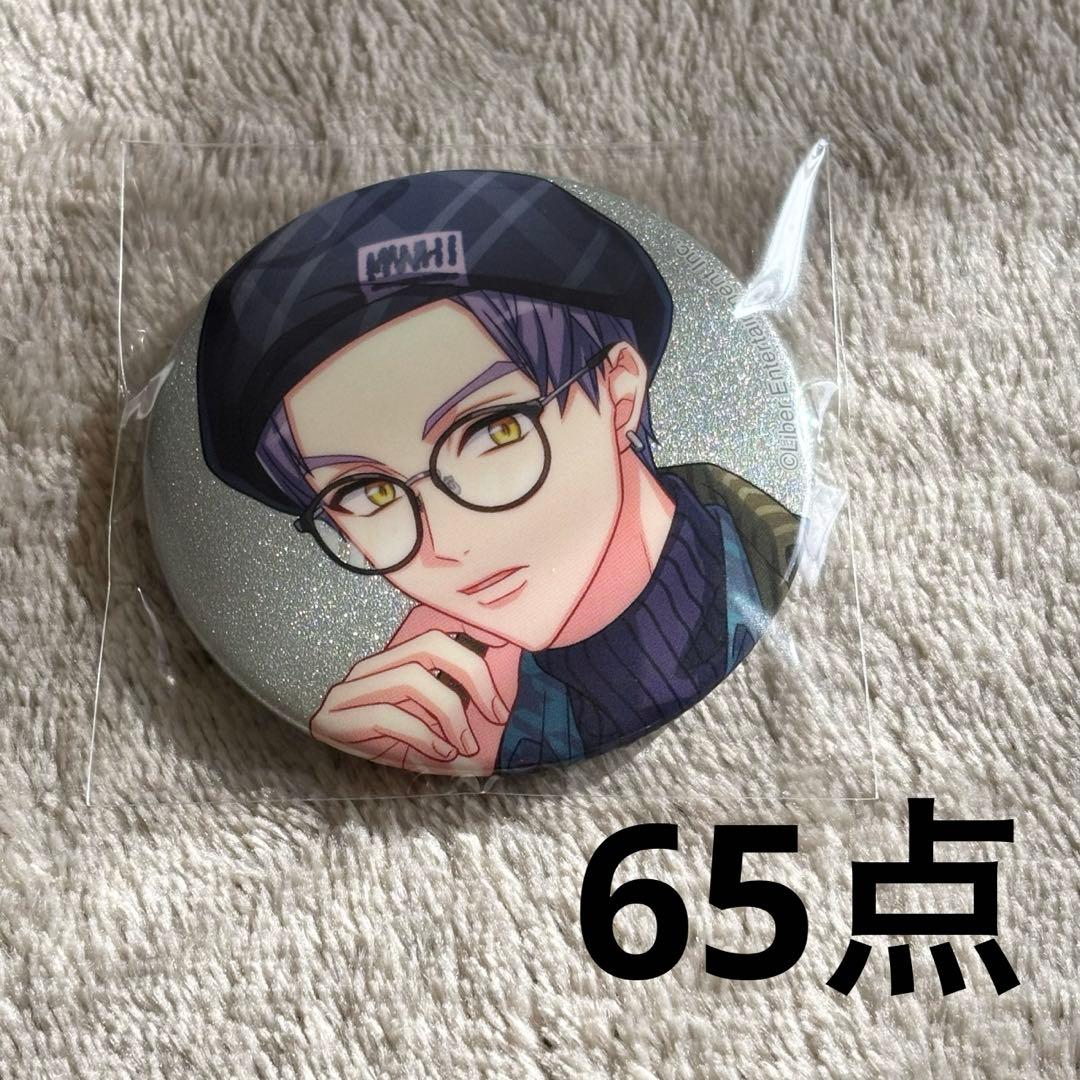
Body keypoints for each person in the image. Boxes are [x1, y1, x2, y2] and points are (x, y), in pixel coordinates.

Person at [197, 170, 799, 775]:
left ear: (620, 392)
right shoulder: (449, 711)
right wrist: (368, 773)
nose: (447, 543)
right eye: (368, 492)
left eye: (493, 431)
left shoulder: (785, 577)